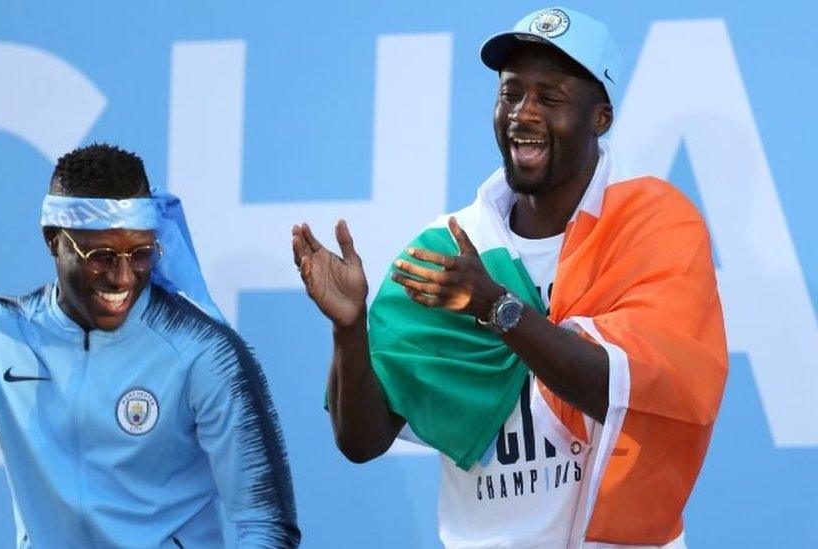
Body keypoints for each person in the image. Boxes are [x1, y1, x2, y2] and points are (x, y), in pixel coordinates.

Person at [293, 7, 726, 548]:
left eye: (551, 98)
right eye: (511, 93)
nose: (523, 113)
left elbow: (628, 390)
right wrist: (350, 330)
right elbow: (361, 441)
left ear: (601, 117)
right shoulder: (445, 248)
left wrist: (499, 309)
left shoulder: (652, 229)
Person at [0, 144, 300, 548]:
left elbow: (265, 525)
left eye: (141, 253)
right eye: (101, 256)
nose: (122, 277)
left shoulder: (205, 351)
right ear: (52, 240)